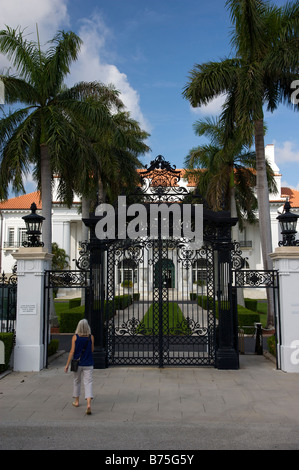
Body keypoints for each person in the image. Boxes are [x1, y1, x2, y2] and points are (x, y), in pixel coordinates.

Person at [65, 319, 94, 415]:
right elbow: (92, 350)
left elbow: (72, 351)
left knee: (77, 381)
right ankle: (88, 404)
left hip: (77, 363)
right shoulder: (91, 337)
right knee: (88, 383)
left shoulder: (75, 337)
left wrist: (67, 364)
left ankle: (76, 401)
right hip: (88, 363)